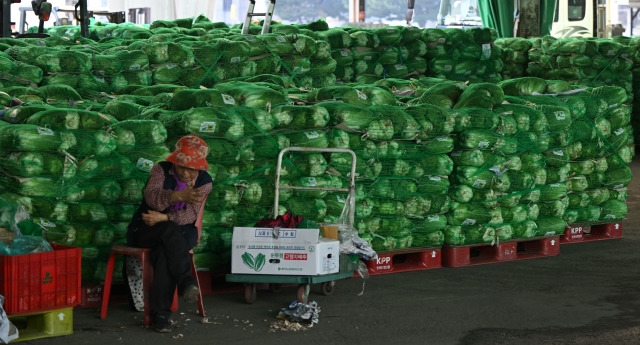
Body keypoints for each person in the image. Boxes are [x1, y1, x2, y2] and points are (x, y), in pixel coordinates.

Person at [126, 135, 213, 333]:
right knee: (170, 236)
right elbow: (152, 199)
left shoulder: (205, 182)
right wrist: (177, 196)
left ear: (200, 167)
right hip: (146, 227)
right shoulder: (161, 170)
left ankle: (161, 316)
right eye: (182, 166)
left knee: (167, 249)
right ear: (175, 161)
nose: (186, 172)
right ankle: (185, 282)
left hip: (180, 230)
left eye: (192, 169)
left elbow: (190, 215)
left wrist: (165, 218)